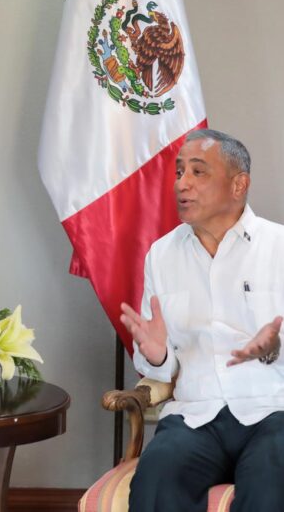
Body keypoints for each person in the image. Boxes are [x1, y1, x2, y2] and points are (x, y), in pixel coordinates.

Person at [120, 129, 284, 511]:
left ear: (239, 184)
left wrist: (273, 347)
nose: (182, 184)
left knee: (271, 486)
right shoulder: (162, 255)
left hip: (271, 411)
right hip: (196, 417)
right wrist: (157, 355)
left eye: (198, 172)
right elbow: (160, 371)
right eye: (179, 173)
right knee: (156, 480)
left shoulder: (279, 248)